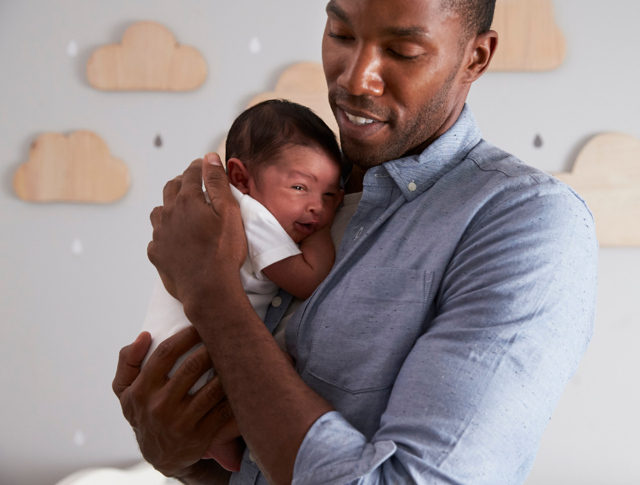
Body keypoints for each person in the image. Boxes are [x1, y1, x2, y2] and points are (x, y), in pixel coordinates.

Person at [113, 0, 598, 484]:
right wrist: (181, 459)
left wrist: (210, 293)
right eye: (341, 35)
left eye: (403, 50)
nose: (354, 79)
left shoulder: (529, 221)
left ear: (476, 57)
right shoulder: (295, 195)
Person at [139, 99, 345, 471]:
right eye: (300, 187)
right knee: (278, 371)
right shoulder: (250, 216)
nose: (317, 207)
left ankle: (217, 443)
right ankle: (218, 437)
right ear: (240, 178)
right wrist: (324, 233)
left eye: (330, 196)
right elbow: (309, 278)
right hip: (190, 357)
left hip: (164, 356)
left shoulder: (220, 206)